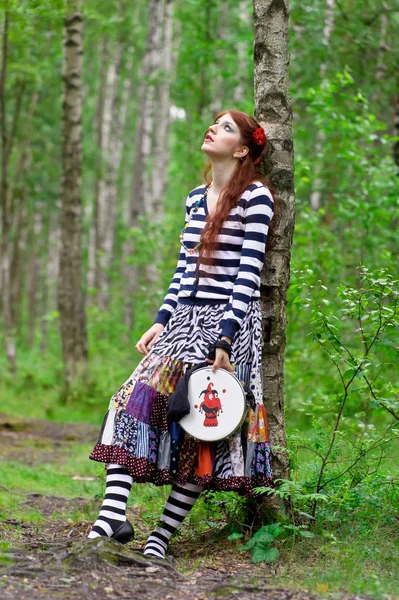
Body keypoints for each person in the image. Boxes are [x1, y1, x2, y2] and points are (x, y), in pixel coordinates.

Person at [87, 109, 275, 559]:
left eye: (226, 127)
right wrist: (160, 318)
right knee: (127, 403)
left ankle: (159, 539)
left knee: (206, 431)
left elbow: (248, 274)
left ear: (243, 147)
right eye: (214, 122)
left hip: (230, 326)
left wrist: (225, 339)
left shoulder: (256, 196)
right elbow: (183, 269)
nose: (214, 128)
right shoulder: (195, 198)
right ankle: (114, 515)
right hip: (183, 322)